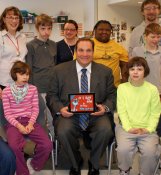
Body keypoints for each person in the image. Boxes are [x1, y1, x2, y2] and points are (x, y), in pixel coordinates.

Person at [46, 38, 116, 175]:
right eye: (81, 50)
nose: (85, 54)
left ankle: (94, 163)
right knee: (63, 131)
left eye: (88, 50)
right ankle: (75, 162)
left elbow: (112, 95)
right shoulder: (59, 70)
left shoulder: (105, 72)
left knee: (106, 130)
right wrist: (60, 109)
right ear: (75, 52)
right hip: (69, 114)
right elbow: (51, 95)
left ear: (93, 52)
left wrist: (105, 108)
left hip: (96, 114)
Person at [2, 61, 52, 175]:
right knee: (14, 146)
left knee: (47, 145)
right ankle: (22, 171)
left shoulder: (33, 89)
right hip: (13, 123)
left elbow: (35, 109)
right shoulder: (6, 91)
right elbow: (7, 114)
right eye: (22, 74)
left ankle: (35, 164)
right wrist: (19, 126)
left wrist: (30, 124)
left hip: (30, 121)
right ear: (15, 74)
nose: (25, 77)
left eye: (27, 74)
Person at [0, 6, 45, 128]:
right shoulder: (0, 37)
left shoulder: (23, 37)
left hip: (22, 83)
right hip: (5, 85)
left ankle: (38, 137)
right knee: (6, 118)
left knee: (40, 106)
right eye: (10, 17)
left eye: (16, 18)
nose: (14, 21)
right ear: (4, 19)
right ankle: (11, 145)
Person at [116, 57, 161, 175]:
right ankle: (124, 170)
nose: (135, 72)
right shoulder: (122, 88)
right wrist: (129, 128)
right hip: (126, 128)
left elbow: (155, 113)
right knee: (123, 149)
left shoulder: (152, 89)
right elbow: (122, 111)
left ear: (145, 71)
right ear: (128, 71)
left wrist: (148, 129)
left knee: (150, 152)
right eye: (132, 69)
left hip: (147, 130)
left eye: (139, 69)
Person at [25, 14, 57, 136]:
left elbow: (55, 66)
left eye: (49, 28)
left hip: (52, 87)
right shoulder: (30, 45)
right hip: (38, 88)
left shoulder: (54, 45)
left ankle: (54, 143)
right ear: (37, 28)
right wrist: (31, 90)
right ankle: (42, 145)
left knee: (53, 117)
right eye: (43, 28)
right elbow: (29, 69)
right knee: (40, 118)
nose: (46, 32)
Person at [92, 20, 128, 87]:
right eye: (101, 29)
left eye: (107, 30)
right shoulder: (86, 45)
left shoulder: (119, 47)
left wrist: (124, 85)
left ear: (111, 32)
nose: (104, 32)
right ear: (95, 30)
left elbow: (125, 68)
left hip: (113, 87)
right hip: (92, 86)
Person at [131, 23, 161, 95]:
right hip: (140, 90)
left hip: (157, 90)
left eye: (158, 37)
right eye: (153, 37)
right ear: (145, 36)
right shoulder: (136, 51)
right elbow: (132, 71)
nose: (156, 40)